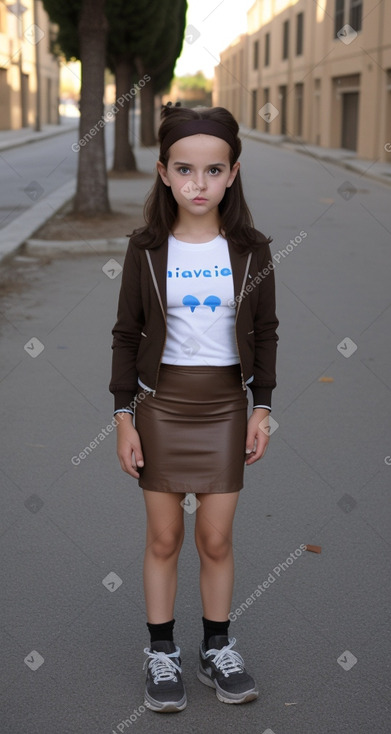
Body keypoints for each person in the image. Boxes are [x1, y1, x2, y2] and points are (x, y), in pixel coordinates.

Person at [109, 104, 279, 712]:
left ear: (232, 173)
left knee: (214, 538)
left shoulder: (252, 250)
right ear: (163, 173)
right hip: (161, 407)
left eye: (213, 171)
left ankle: (215, 647)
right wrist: (124, 418)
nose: (198, 184)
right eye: (185, 170)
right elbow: (126, 334)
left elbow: (267, 330)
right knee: (164, 536)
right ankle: (161, 653)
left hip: (226, 408)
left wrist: (262, 408)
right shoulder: (147, 248)